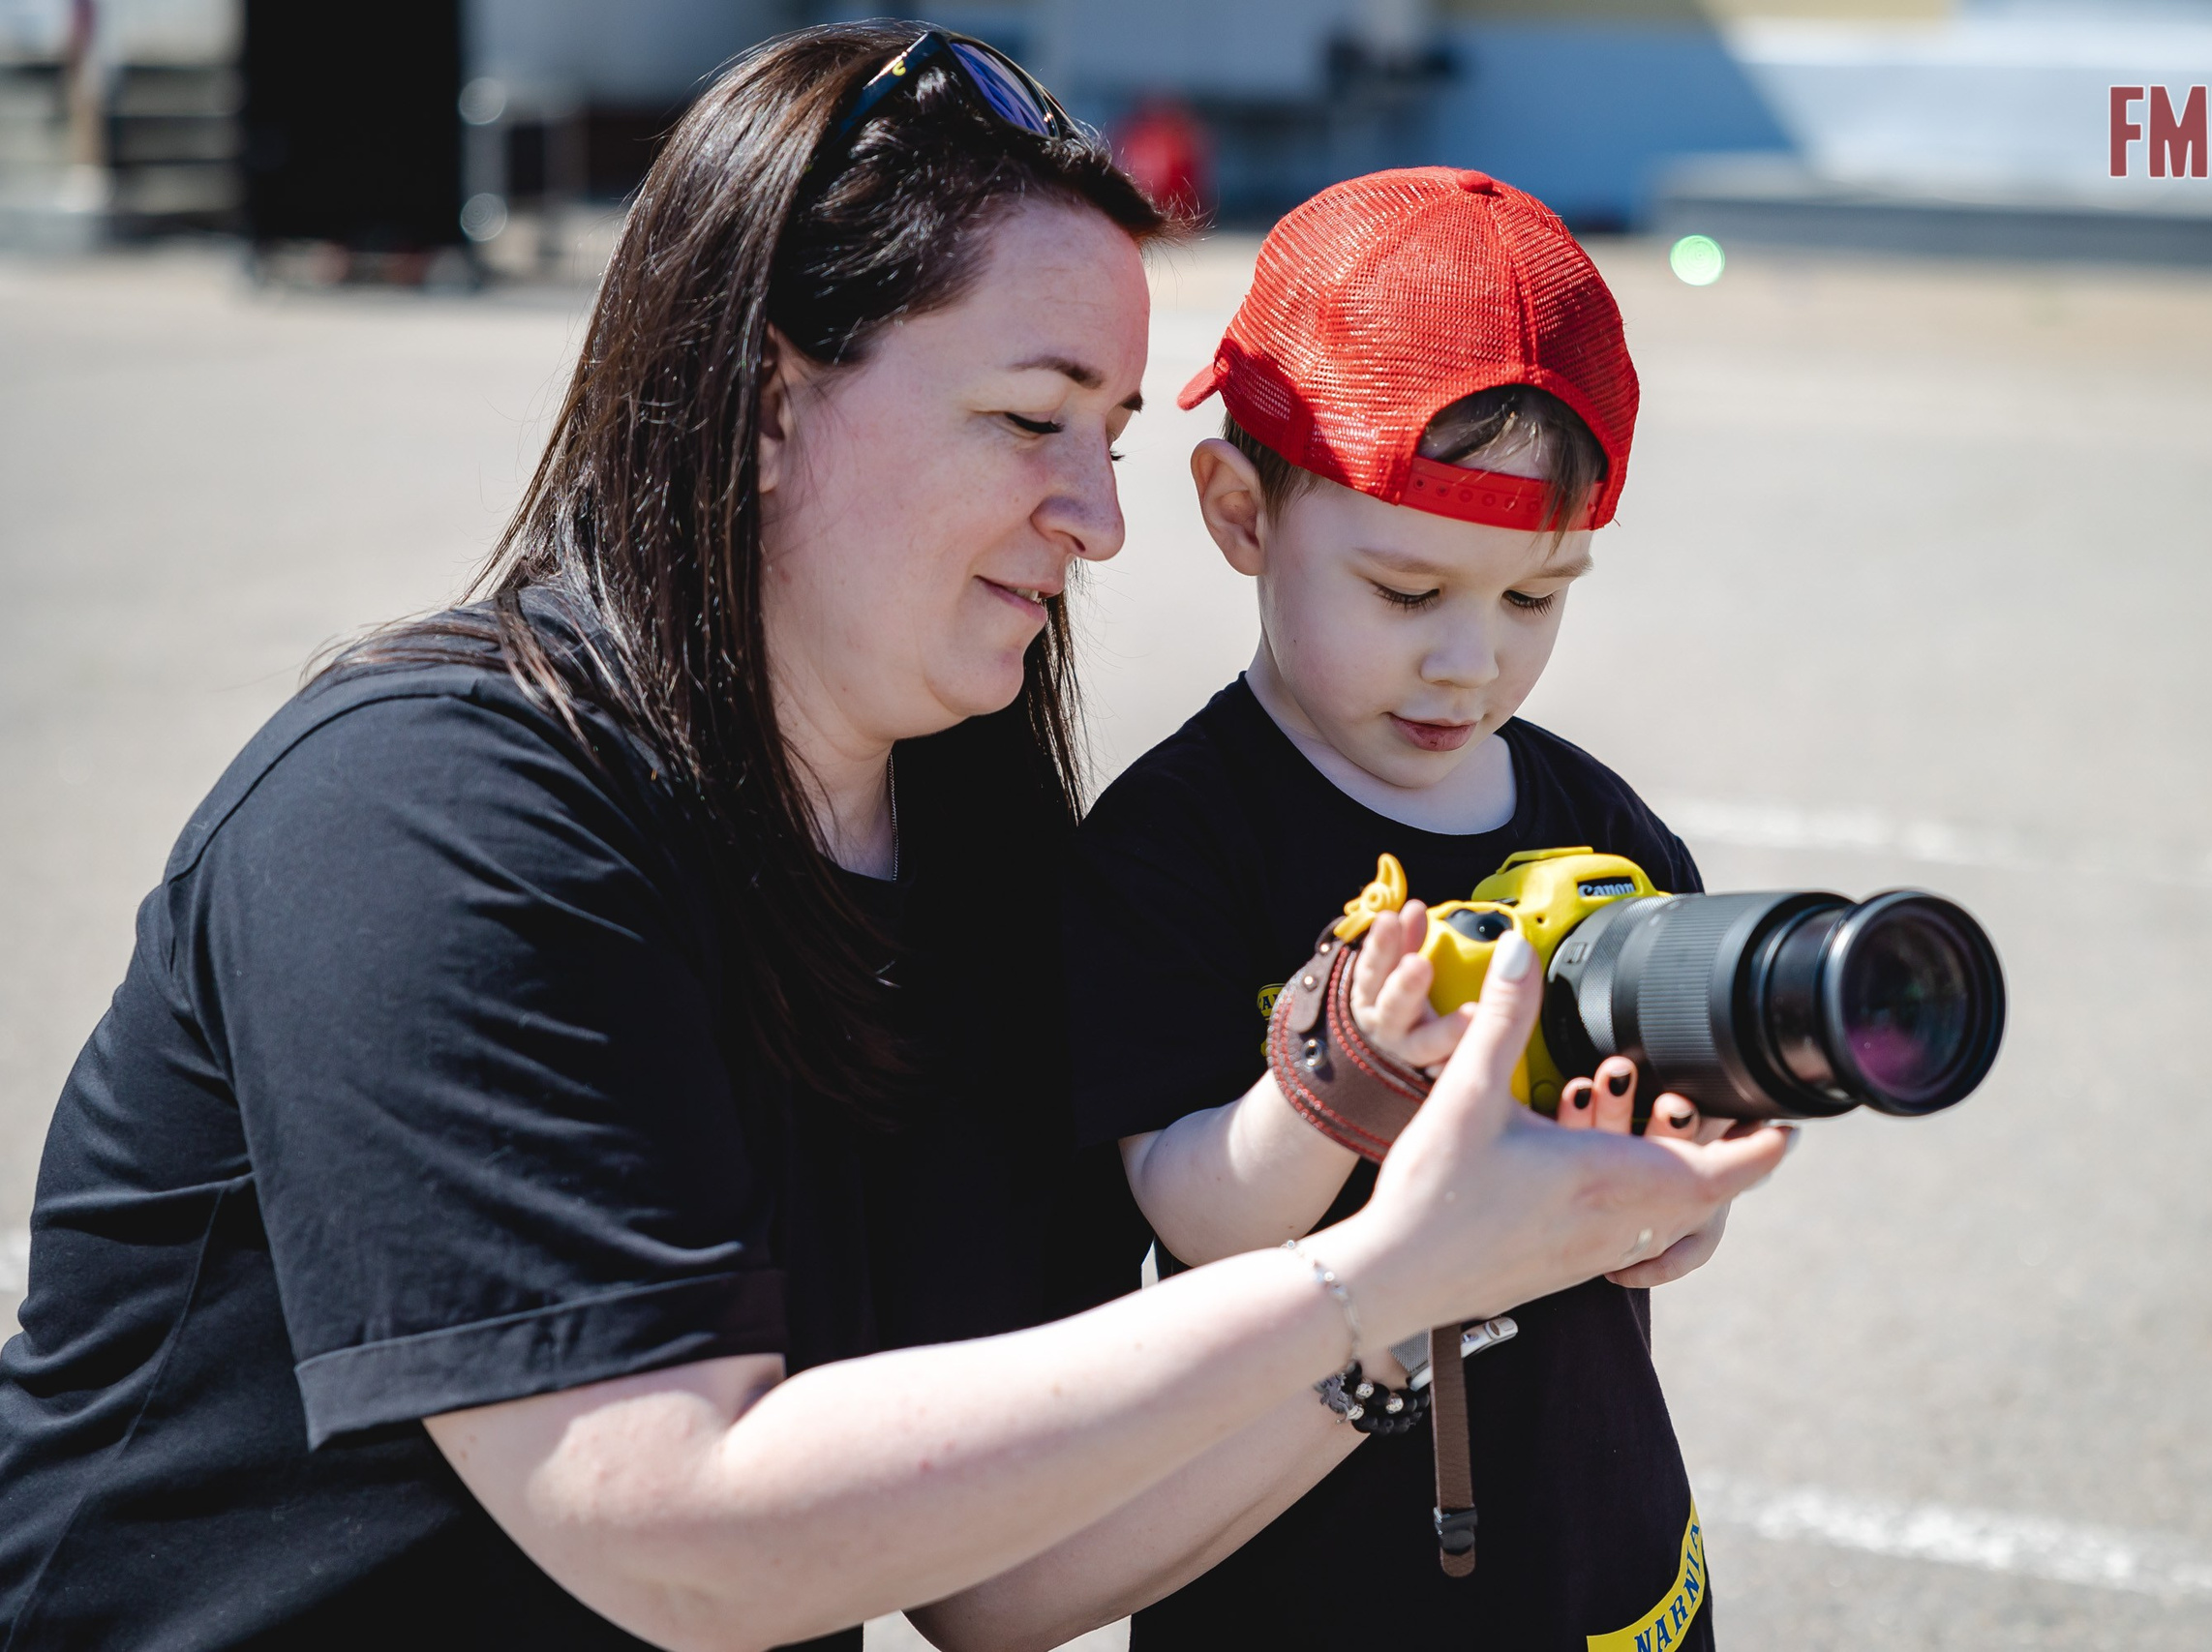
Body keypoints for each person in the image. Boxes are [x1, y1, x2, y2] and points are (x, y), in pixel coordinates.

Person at [0, 29, 1790, 1652]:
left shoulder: (976, 856)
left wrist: (1432, 1301)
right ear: (769, 401)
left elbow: (1001, 1582)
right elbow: (676, 1529)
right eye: (1029, 419)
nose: (1097, 520)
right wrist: (1384, 1270)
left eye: (1105, 435)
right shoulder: (429, 814)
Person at [1067, 168, 1751, 1650]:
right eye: (1406, 589)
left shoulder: (1603, 834)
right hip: (1306, 1587)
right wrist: (1344, 1080)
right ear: (1242, 511)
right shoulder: (1180, 847)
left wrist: (1668, 1211)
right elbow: (1192, 1213)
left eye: (1531, 600)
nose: (1469, 665)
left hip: (1602, 1564)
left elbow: (1657, 1217)